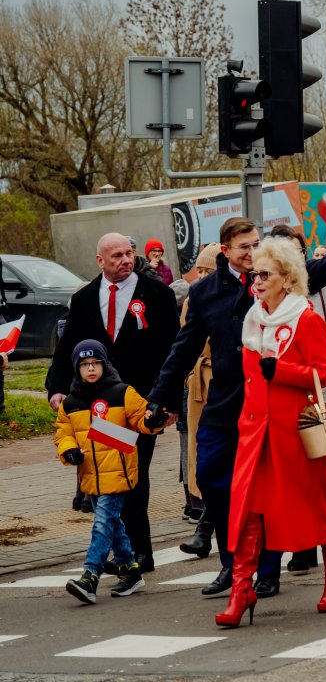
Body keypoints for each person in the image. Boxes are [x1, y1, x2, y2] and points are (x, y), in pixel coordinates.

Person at [147, 206, 326, 601]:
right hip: (226, 405)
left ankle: (262, 573)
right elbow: (183, 349)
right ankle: (233, 561)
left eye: (256, 244)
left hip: (273, 410)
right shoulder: (205, 292)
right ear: (225, 250)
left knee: (266, 495)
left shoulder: (279, 280)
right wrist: (161, 397)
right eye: (244, 247)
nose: (253, 254)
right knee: (211, 480)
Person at [210, 237, 326, 628]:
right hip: (256, 434)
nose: (256, 281)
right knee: (249, 511)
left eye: (264, 275)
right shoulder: (253, 319)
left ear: (287, 279)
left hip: (297, 434)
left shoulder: (306, 318)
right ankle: (241, 589)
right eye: (254, 274)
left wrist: (284, 371)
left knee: (317, 504)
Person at [48, 233, 179, 574]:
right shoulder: (85, 298)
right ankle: (126, 554)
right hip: (99, 408)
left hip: (140, 405)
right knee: (111, 476)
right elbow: (67, 347)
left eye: (128, 253)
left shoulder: (157, 294)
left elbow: (174, 350)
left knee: (133, 472)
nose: (126, 260)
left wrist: (169, 400)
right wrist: (56, 388)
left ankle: (140, 552)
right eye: (117, 255)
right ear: (100, 261)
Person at [268, 225, 326, 572]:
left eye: (298, 251)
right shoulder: (264, 297)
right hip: (279, 396)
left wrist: (310, 349)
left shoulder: (320, 288)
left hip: (317, 394)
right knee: (286, 479)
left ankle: (323, 551)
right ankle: (299, 544)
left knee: (315, 478)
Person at [57, 340, 156, 604]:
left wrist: (153, 420)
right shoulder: (71, 403)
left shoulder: (122, 393)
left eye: (95, 363)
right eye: (84, 364)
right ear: (77, 369)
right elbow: (63, 434)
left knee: (102, 523)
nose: (90, 369)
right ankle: (131, 571)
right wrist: (69, 450)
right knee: (114, 525)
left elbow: (142, 419)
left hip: (118, 472)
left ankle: (90, 576)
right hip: (91, 475)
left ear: (105, 364)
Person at [178, 243, 222, 559]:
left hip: (226, 384)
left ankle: (204, 532)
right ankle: (205, 530)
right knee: (204, 460)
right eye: (201, 271)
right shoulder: (192, 301)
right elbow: (184, 345)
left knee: (223, 462)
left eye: (210, 271)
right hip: (199, 386)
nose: (203, 277)